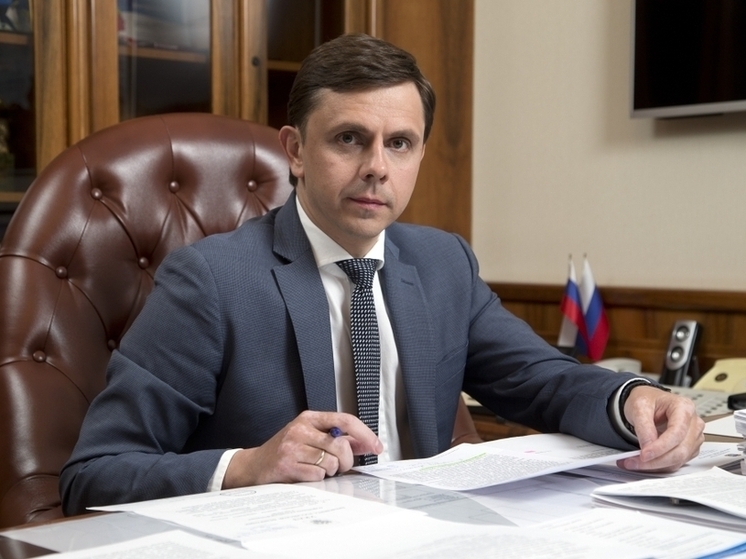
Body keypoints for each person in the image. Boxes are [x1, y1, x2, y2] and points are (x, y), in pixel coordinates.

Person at [60, 34, 704, 515]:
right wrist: (247, 466)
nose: (377, 166)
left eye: (399, 143)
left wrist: (633, 400)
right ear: (295, 151)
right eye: (349, 139)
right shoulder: (210, 281)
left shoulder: (444, 262)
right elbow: (95, 473)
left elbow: (543, 381)